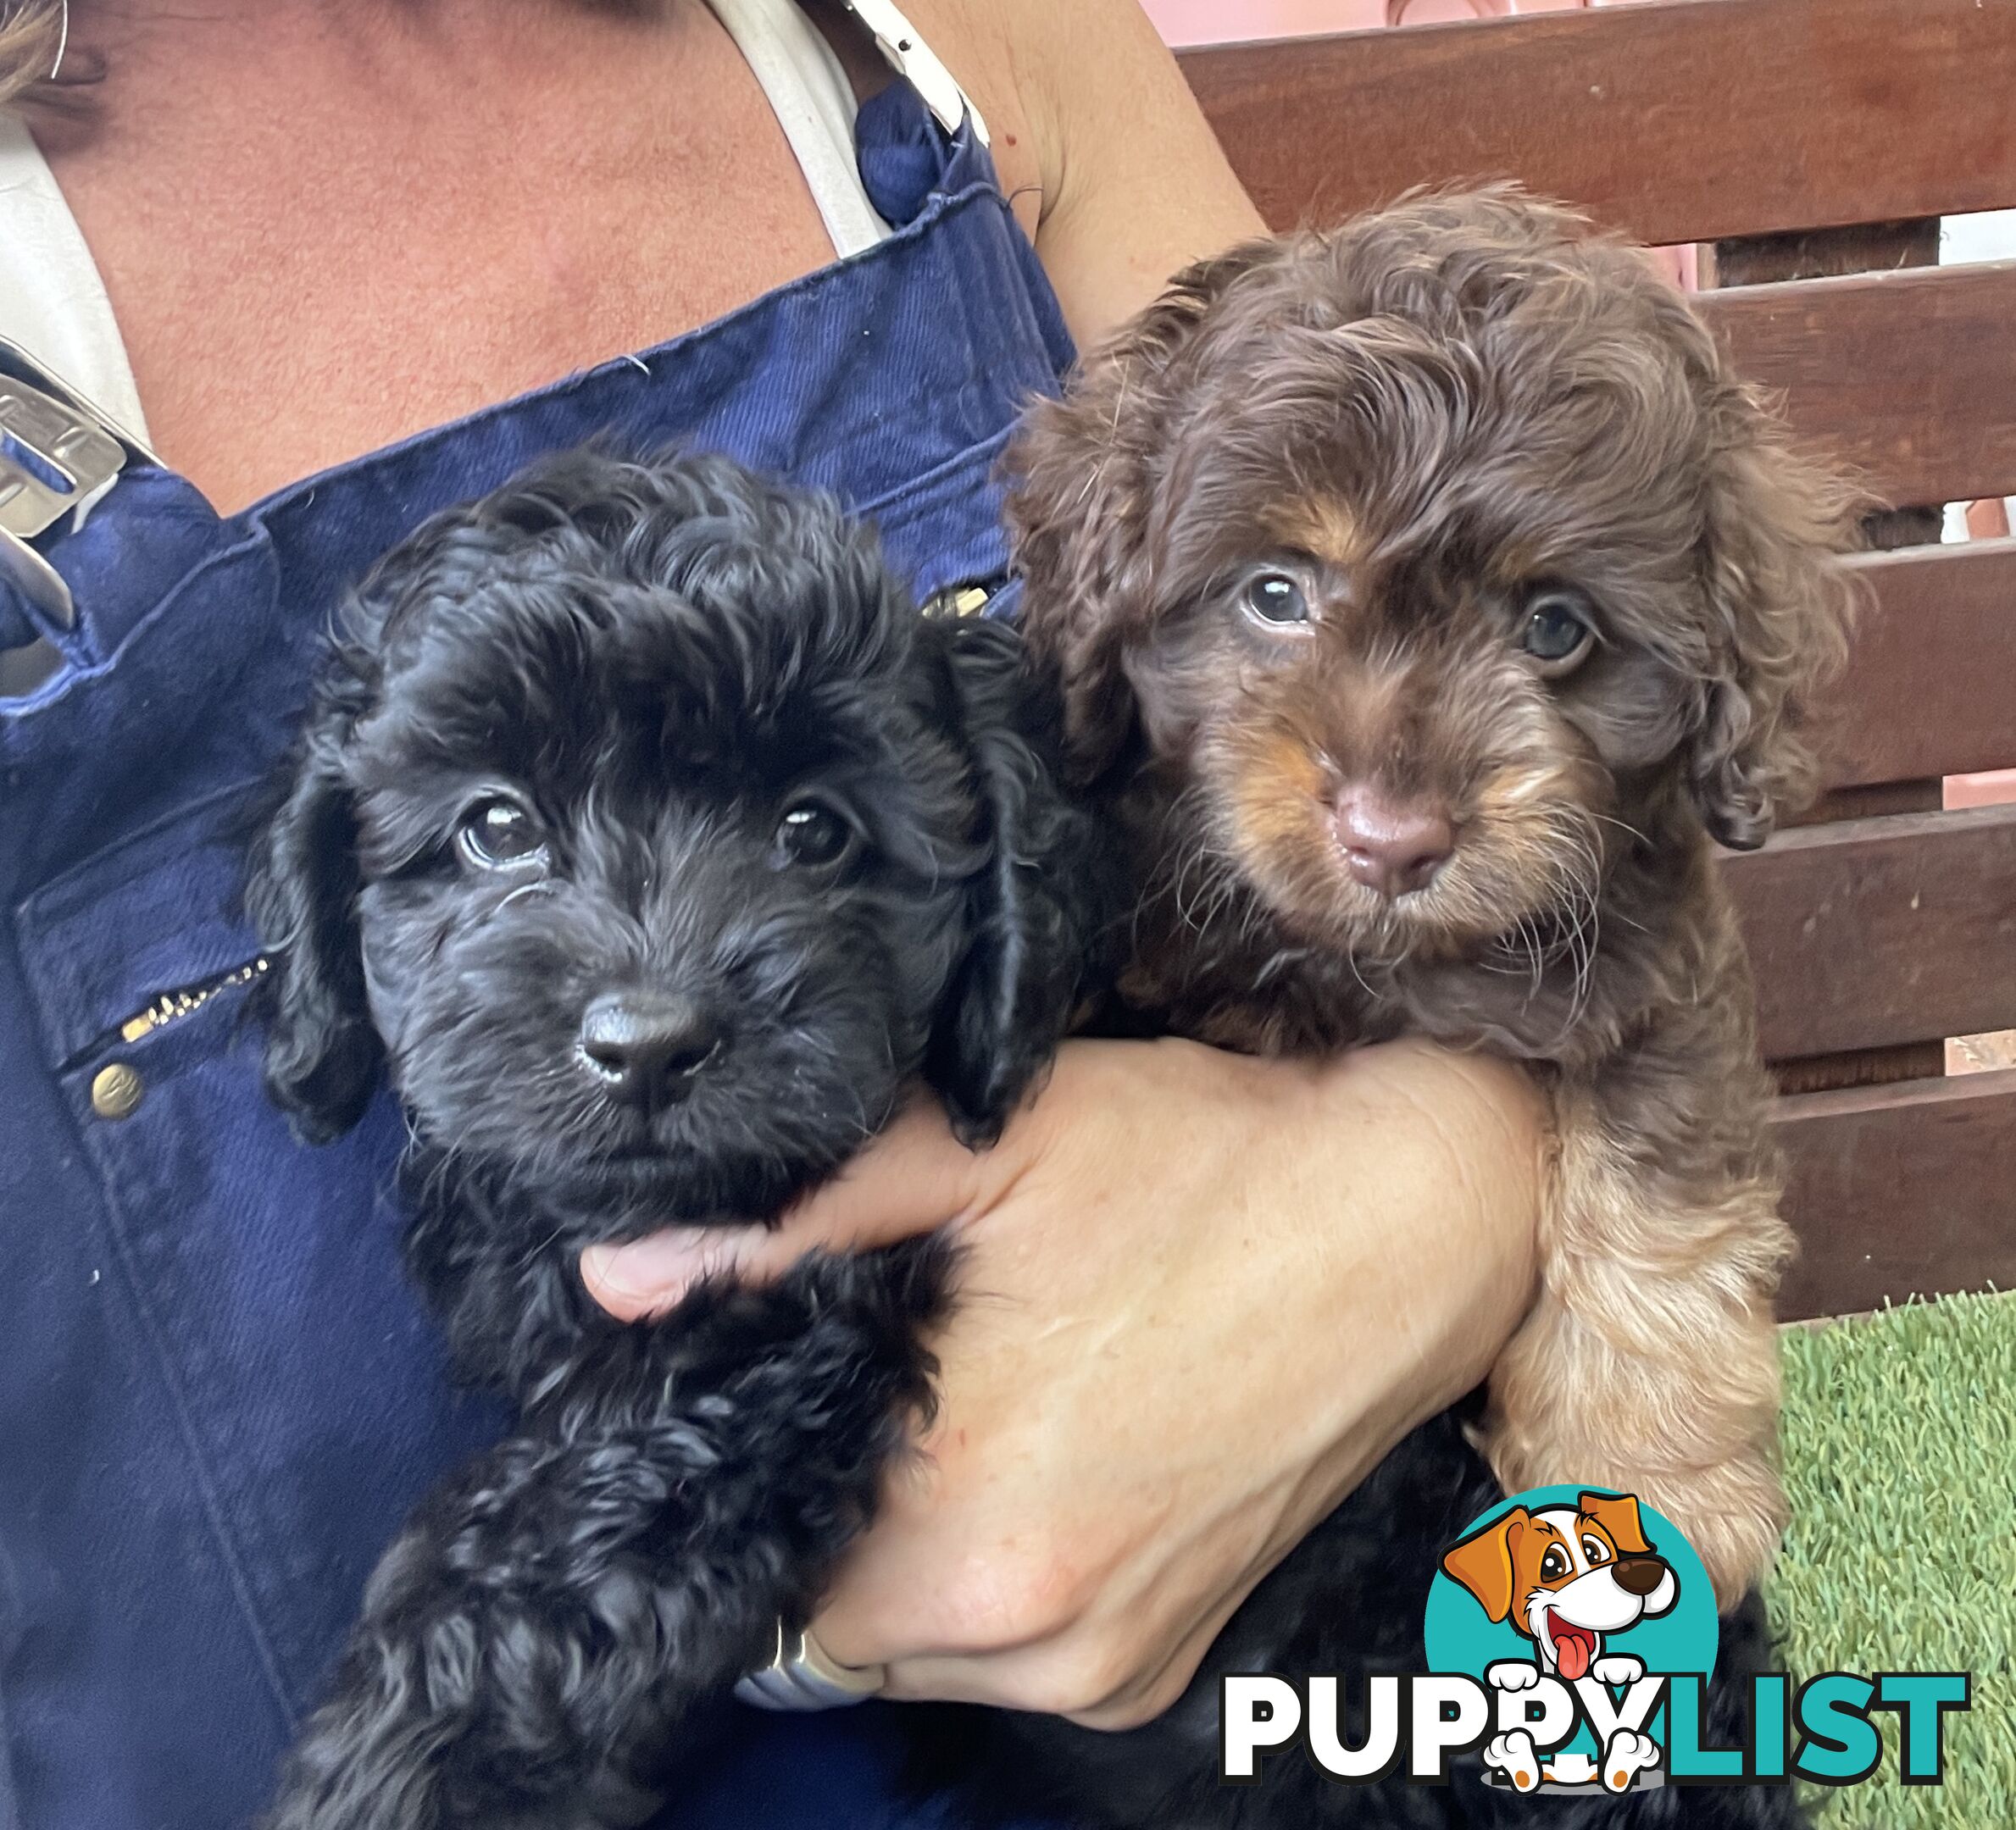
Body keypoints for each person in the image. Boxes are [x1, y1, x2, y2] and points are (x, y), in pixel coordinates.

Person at [0, 3, 1542, 1825]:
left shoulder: (975, 34)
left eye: (815, 825)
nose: (644, 991)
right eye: (490, 829)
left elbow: (1500, 832)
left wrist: (1443, 1187)